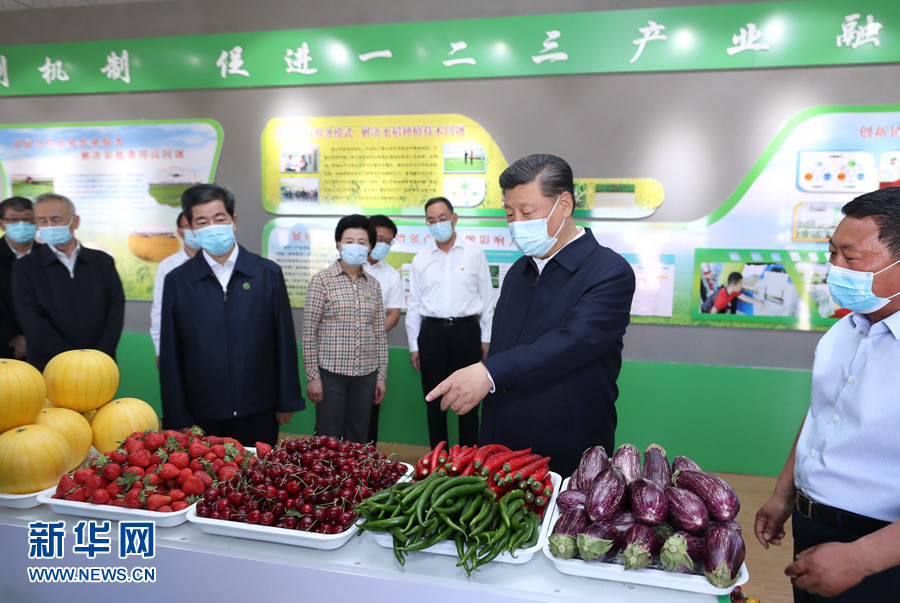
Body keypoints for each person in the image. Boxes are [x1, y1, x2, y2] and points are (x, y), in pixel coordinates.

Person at [425, 154, 636, 477]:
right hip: (500, 443)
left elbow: (573, 341)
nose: (517, 224)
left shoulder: (608, 271)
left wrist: (488, 373)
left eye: (526, 212)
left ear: (564, 205)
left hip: (565, 444)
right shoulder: (518, 272)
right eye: (510, 214)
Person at [755, 187, 900, 601]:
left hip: (879, 550)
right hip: (813, 526)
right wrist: (784, 494)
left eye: (850, 258)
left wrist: (863, 558)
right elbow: (823, 413)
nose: (834, 268)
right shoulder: (844, 330)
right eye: (832, 253)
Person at [159, 184, 303, 445]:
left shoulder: (266, 273)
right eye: (202, 221)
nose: (212, 227)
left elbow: (283, 339)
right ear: (191, 229)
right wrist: (176, 414)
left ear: (233, 221)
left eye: (219, 218)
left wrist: (287, 399)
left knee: (258, 470)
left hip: (259, 406)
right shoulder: (178, 281)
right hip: (202, 411)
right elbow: (171, 353)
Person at [406, 197, 493, 448]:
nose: (437, 224)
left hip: (467, 331)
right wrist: (414, 344)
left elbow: (487, 298)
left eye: (442, 218)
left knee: (469, 401)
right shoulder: (421, 258)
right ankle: (438, 458)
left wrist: (486, 337)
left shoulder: (474, 252)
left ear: (454, 218)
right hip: (431, 333)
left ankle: (469, 458)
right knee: (434, 401)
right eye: (431, 220)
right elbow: (414, 304)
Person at [12, 193, 125, 372]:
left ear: (75, 221)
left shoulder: (102, 261)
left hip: (100, 364)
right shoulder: (26, 267)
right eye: (42, 220)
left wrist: (100, 353)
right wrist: (72, 360)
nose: (49, 226)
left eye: (56, 219)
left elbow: (115, 309)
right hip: (50, 365)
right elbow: (32, 320)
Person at [302, 214, 388, 443]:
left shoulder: (374, 285)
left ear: (370, 247)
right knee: (328, 439)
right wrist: (313, 377)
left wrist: (381, 376)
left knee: (358, 439)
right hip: (331, 375)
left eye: (362, 242)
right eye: (349, 241)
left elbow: (379, 334)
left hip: (366, 376)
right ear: (339, 244)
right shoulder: (322, 281)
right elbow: (309, 333)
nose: (355, 246)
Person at [363, 214, 405, 444]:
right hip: (337, 356)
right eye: (379, 238)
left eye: (388, 241)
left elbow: (394, 315)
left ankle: (364, 463)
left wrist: (369, 335)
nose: (383, 245)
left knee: (368, 418)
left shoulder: (391, 275)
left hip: (372, 355)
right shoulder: (341, 266)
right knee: (332, 418)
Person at [149, 212, 200, 367]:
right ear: (180, 232)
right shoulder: (168, 266)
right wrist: (160, 350)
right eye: (188, 226)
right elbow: (159, 310)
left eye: (198, 224)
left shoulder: (218, 262)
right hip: (179, 344)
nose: (194, 230)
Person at [0, 196, 42, 360]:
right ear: (2, 224)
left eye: (27, 219)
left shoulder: (49, 256)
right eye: (13, 219)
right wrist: (14, 337)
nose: (21, 224)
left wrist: (35, 336)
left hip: (46, 344)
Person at [700, 271, 767, 314]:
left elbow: (745, 298)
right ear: (733, 286)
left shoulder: (733, 290)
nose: (741, 287)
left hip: (716, 306)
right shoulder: (722, 299)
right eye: (740, 285)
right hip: (707, 311)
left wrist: (760, 303)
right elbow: (712, 314)